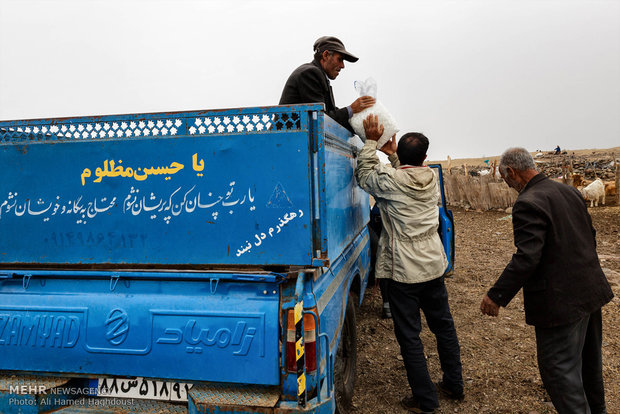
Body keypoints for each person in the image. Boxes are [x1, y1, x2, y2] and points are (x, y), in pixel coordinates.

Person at [480, 147, 614, 414]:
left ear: (511, 172)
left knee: (560, 372)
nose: (507, 184)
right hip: (590, 292)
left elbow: (527, 258)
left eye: (505, 179)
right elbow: (589, 235)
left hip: (561, 303)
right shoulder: (568, 191)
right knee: (589, 368)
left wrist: (496, 296)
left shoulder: (528, 202)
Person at [355, 115, 463, 414]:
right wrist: (393, 155)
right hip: (432, 264)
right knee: (444, 328)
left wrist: (372, 142)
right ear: (426, 157)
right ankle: (454, 384)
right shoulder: (430, 179)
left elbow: (364, 175)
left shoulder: (392, 182)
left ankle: (425, 400)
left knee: (410, 336)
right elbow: (404, 172)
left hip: (404, 270)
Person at [279, 36, 375, 132]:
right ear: (326, 55)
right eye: (340, 59)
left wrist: (363, 125)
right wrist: (351, 109)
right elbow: (321, 118)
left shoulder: (319, 76)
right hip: (285, 138)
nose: (343, 66)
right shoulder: (310, 73)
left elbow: (330, 114)